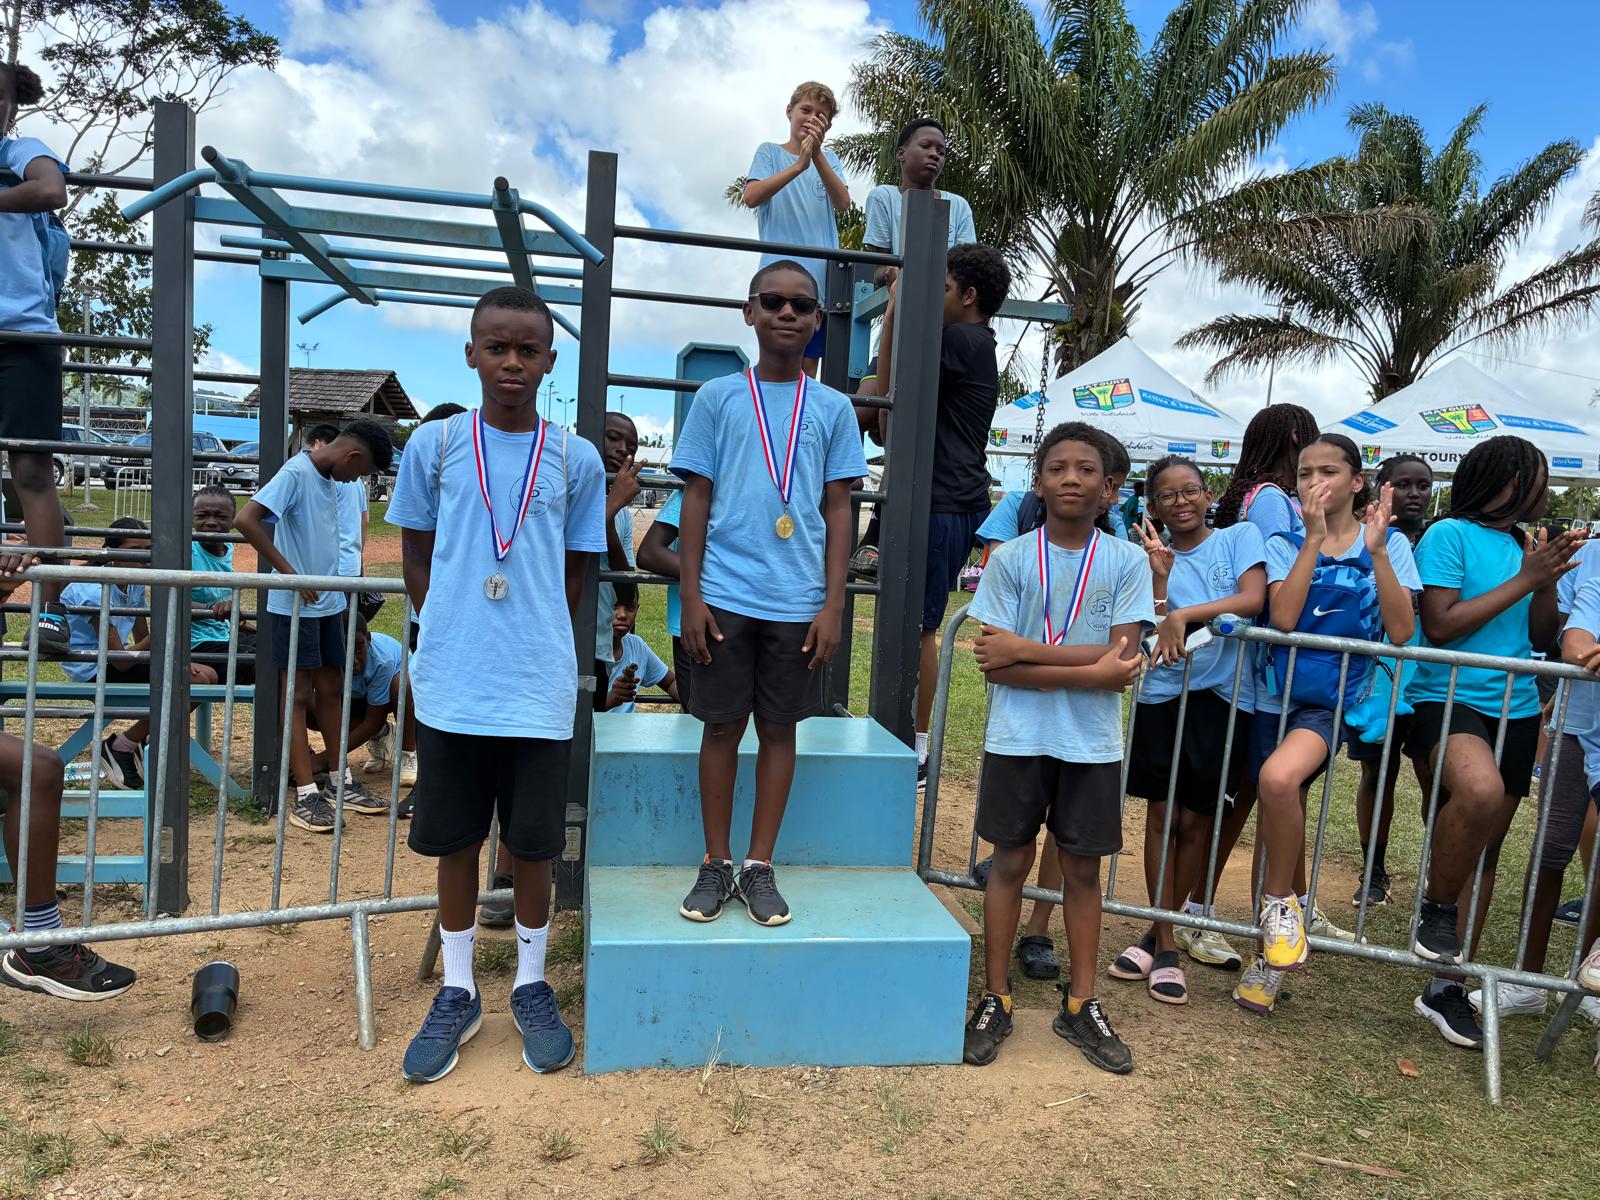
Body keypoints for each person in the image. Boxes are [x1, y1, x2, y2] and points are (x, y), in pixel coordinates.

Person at [389, 286, 605, 1082]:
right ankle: (457, 990)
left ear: (549, 361)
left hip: (536, 684)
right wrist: (450, 623)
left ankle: (530, 983)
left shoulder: (575, 458)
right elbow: (416, 553)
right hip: (454, 682)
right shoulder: (437, 444)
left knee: (534, 844)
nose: (512, 362)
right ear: (471, 353)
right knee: (454, 840)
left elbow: (576, 569)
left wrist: (531, 630)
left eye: (528, 350)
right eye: (497, 347)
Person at [673, 259, 866, 927]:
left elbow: (839, 508)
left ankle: (759, 865)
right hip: (725, 595)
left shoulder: (833, 407)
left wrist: (833, 604)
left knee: (779, 730)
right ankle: (715, 861)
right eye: (774, 301)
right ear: (749, 312)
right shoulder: (719, 397)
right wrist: (691, 594)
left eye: (801, 305)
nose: (787, 312)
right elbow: (696, 497)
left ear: (817, 322)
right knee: (721, 727)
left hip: (798, 601)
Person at [960, 421, 1150, 1072]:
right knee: (1009, 862)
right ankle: (997, 997)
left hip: (1091, 746)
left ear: (1109, 489)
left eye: (1087, 469)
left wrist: (1029, 652)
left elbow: (1125, 656)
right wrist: (1092, 672)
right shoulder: (1012, 558)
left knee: (1082, 871)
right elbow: (996, 666)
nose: (1072, 478)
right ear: (1036, 484)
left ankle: (1081, 1003)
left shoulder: (1126, 561)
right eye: (1058, 468)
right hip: (1018, 739)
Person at [1403, 436, 1578, 1050]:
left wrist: (1545, 580)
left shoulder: (1524, 545)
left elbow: (1540, 636)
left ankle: (1445, 987)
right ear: (1506, 482)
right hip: (1448, 697)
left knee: (1486, 850)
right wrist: (1527, 577)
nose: (1547, 491)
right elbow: (1441, 624)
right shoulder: (1447, 535)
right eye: (1538, 479)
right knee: (1477, 793)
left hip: (1518, 707)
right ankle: (1436, 911)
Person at [1244, 435, 1417, 1009]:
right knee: (1277, 814)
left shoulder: (1389, 542)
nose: (1314, 482)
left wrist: (1379, 553)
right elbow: (1284, 616)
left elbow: (1400, 631)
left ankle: (1280, 907)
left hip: (1330, 701)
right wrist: (1313, 540)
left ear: (1357, 481)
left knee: (1278, 780)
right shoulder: (1283, 541)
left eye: (1328, 471)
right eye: (1304, 473)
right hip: (1273, 694)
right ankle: (1270, 956)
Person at [1189, 403, 1356, 984]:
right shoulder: (1270, 501)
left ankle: (1289, 909)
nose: (1315, 480)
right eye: (1308, 459)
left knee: (1274, 795)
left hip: (1285, 678)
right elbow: (1272, 592)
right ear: (1293, 436)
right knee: (1248, 795)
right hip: (1265, 677)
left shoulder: (1264, 495)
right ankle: (1200, 907)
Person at [854, 243, 1011, 788]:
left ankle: (916, 747)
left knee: (919, 625)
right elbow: (881, 403)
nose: (930, 297)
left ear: (968, 296)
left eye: (940, 288)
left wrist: (896, 307)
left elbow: (887, 390)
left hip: (943, 501)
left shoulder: (963, 341)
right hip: (933, 496)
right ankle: (903, 736)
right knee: (907, 618)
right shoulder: (963, 342)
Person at [1111, 457, 1266, 1007]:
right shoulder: (1144, 556)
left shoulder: (1239, 538)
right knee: (1161, 815)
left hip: (1224, 697)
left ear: (1209, 495)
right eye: (1168, 495)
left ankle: (1155, 935)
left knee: (1198, 819)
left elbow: (1253, 599)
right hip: (1162, 693)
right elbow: (1152, 626)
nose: (1181, 502)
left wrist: (1187, 614)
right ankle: (1166, 943)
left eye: (1191, 491)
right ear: (1153, 505)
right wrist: (1160, 582)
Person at [234, 418, 393, 834]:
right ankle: (306, 793)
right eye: (360, 472)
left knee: (332, 687)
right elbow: (247, 519)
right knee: (298, 692)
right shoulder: (296, 472)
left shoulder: (332, 479)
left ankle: (340, 780)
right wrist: (290, 574)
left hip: (328, 602)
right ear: (352, 456)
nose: (356, 480)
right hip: (295, 605)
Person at [0, 539, 138, 998]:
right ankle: (39, 945)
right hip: (99, 671)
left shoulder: (133, 590)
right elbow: (122, 657)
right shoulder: (96, 591)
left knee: (33, 771)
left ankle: (38, 941)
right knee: (38, 768)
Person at [1472, 541, 1600, 1026]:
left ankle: (1586, 982)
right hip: (1576, 725)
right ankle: (1527, 981)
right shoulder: (1592, 565)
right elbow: (1571, 644)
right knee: (1550, 850)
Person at [0, 61, 72, 656]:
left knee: (31, 471)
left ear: (11, 106)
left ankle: (50, 609)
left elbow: (51, 190)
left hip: (22, 334)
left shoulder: (19, 150)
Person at [62, 519, 219, 791]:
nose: (143, 557)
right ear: (111, 551)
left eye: (147, 550)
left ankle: (134, 743)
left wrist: (174, 660)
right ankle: (123, 746)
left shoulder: (134, 582)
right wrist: (162, 633)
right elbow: (121, 661)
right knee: (197, 680)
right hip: (92, 668)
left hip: (117, 659)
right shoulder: (93, 590)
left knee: (207, 675)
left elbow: (143, 638)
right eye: (134, 550)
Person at [1347, 454, 1433, 908]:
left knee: (1433, 776)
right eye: (1403, 484)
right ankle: (1374, 871)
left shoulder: (1436, 537)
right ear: (1381, 486)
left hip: (1429, 678)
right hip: (1380, 681)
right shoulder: (1365, 536)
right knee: (1378, 773)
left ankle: (1438, 873)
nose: (1414, 493)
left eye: (1423, 484)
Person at [742, 81, 852, 377]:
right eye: (806, 110)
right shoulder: (769, 153)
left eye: (821, 116)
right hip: (776, 279)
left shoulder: (830, 160)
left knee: (808, 369)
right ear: (789, 111)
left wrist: (815, 156)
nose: (812, 118)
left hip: (819, 284)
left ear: (828, 126)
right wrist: (799, 166)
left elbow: (843, 202)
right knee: (775, 361)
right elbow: (751, 197)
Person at [306, 614, 415, 800]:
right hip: (359, 696)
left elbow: (374, 720)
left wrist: (323, 759)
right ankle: (382, 735)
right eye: (344, 650)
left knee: (402, 687)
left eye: (358, 649)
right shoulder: (327, 659)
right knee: (313, 707)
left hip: (396, 692)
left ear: (368, 640)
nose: (353, 660)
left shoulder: (382, 661)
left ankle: (408, 752)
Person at [861, 118, 976, 261]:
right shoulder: (883, 197)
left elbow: (965, 266)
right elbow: (880, 265)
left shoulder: (959, 206)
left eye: (941, 152)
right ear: (901, 154)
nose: (934, 155)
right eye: (925, 146)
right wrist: (894, 271)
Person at [594, 411, 643, 711]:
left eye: (632, 448)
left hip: (598, 644)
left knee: (589, 726)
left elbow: (627, 591)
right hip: (556, 640)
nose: (623, 450)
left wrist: (610, 515)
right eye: (612, 438)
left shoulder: (623, 514)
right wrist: (608, 508)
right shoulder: (563, 495)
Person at [189, 484, 256, 689]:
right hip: (195, 644)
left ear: (233, 521)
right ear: (192, 518)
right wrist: (210, 609)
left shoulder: (229, 550)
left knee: (282, 649)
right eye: (202, 516)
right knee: (264, 661)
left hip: (223, 636)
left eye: (220, 516)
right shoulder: (187, 552)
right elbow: (170, 601)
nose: (211, 522)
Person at [635, 486, 692, 712]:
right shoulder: (690, 491)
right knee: (698, 713)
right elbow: (649, 553)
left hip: (749, 617)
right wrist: (726, 575)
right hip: (692, 625)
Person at [602, 584, 679, 713]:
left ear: (637, 609)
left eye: (630, 608)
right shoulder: (582, 650)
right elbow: (574, 708)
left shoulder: (636, 645)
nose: (622, 615)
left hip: (628, 725)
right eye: (613, 606)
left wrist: (695, 700)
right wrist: (611, 698)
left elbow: (671, 682)